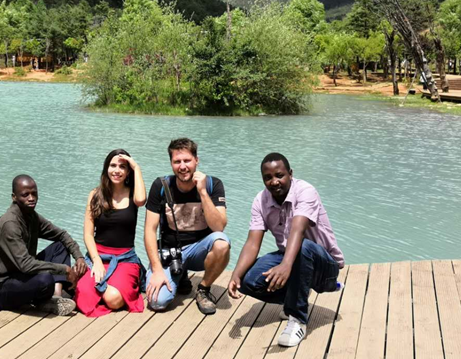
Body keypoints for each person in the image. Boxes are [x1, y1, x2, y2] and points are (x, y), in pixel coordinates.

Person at [228, 153, 344, 348]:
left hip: (323, 264)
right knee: (248, 281)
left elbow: (298, 230)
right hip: (291, 256)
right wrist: (236, 275)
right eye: (268, 177)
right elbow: (252, 243)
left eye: (279, 175)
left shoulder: (306, 191)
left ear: (290, 174)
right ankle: (295, 297)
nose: (274, 182)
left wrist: (285, 265)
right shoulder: (260, 200)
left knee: (303, 246)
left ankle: (297, 319)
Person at [144, 138, 230, 315]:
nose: (182, 166)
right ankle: (179, 274)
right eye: (177, 161)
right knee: (157, 302)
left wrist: (203, 192)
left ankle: (203, 289)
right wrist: (157, 269)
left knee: (222, 243)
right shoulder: (160, 186)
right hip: (170, 252)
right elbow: (149, 231)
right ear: (171, 163)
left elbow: (219, 227)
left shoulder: (214, 185)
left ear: (196, 160)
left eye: (187, 160)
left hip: (199, 251)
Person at [0, 175, 87, 315]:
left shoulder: (31, 216)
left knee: (60, 246)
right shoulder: (10, 224)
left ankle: (55, 297)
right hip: (0, 289)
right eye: (25, 195)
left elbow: (61, 235)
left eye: (34, 193)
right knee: (45, 279)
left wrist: (79, 257)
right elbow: (26, 264)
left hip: (21, 276)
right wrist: (65, 269)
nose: (31, 198)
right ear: (14, 197)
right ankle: (45, 297)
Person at [74, 149, 147, 317]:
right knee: (82, 296)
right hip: (98, 256)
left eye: (123, 167)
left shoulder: (133, 194)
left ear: (128, 171)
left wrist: (137, 167)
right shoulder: (95, 194)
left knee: (113, 299)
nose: (117, 170)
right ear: (106, 168)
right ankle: (99, 287)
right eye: (113, 165)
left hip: (125, 258)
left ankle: (107, 289)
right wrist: (96, 260)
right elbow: (88, 234)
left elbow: (142, 200)